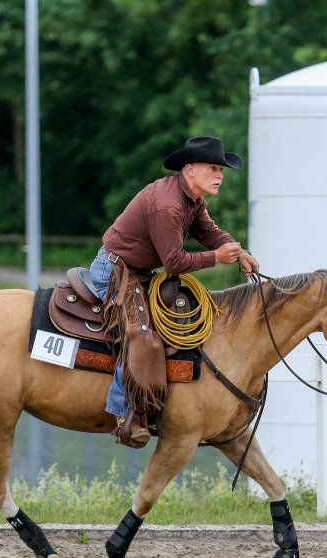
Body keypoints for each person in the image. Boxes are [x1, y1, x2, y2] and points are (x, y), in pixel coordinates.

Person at [88, 136, 259, 447]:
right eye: (213, 169)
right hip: (114, 273)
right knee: (142, 336)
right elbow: (175, 262)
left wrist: (238, 250)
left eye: (221, 170)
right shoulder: (167, 205)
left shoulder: (192, 200)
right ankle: (123, 411)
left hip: (138, 273)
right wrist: (217, 259)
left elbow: (210, 232)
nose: (219, 176)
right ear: (190, 170)